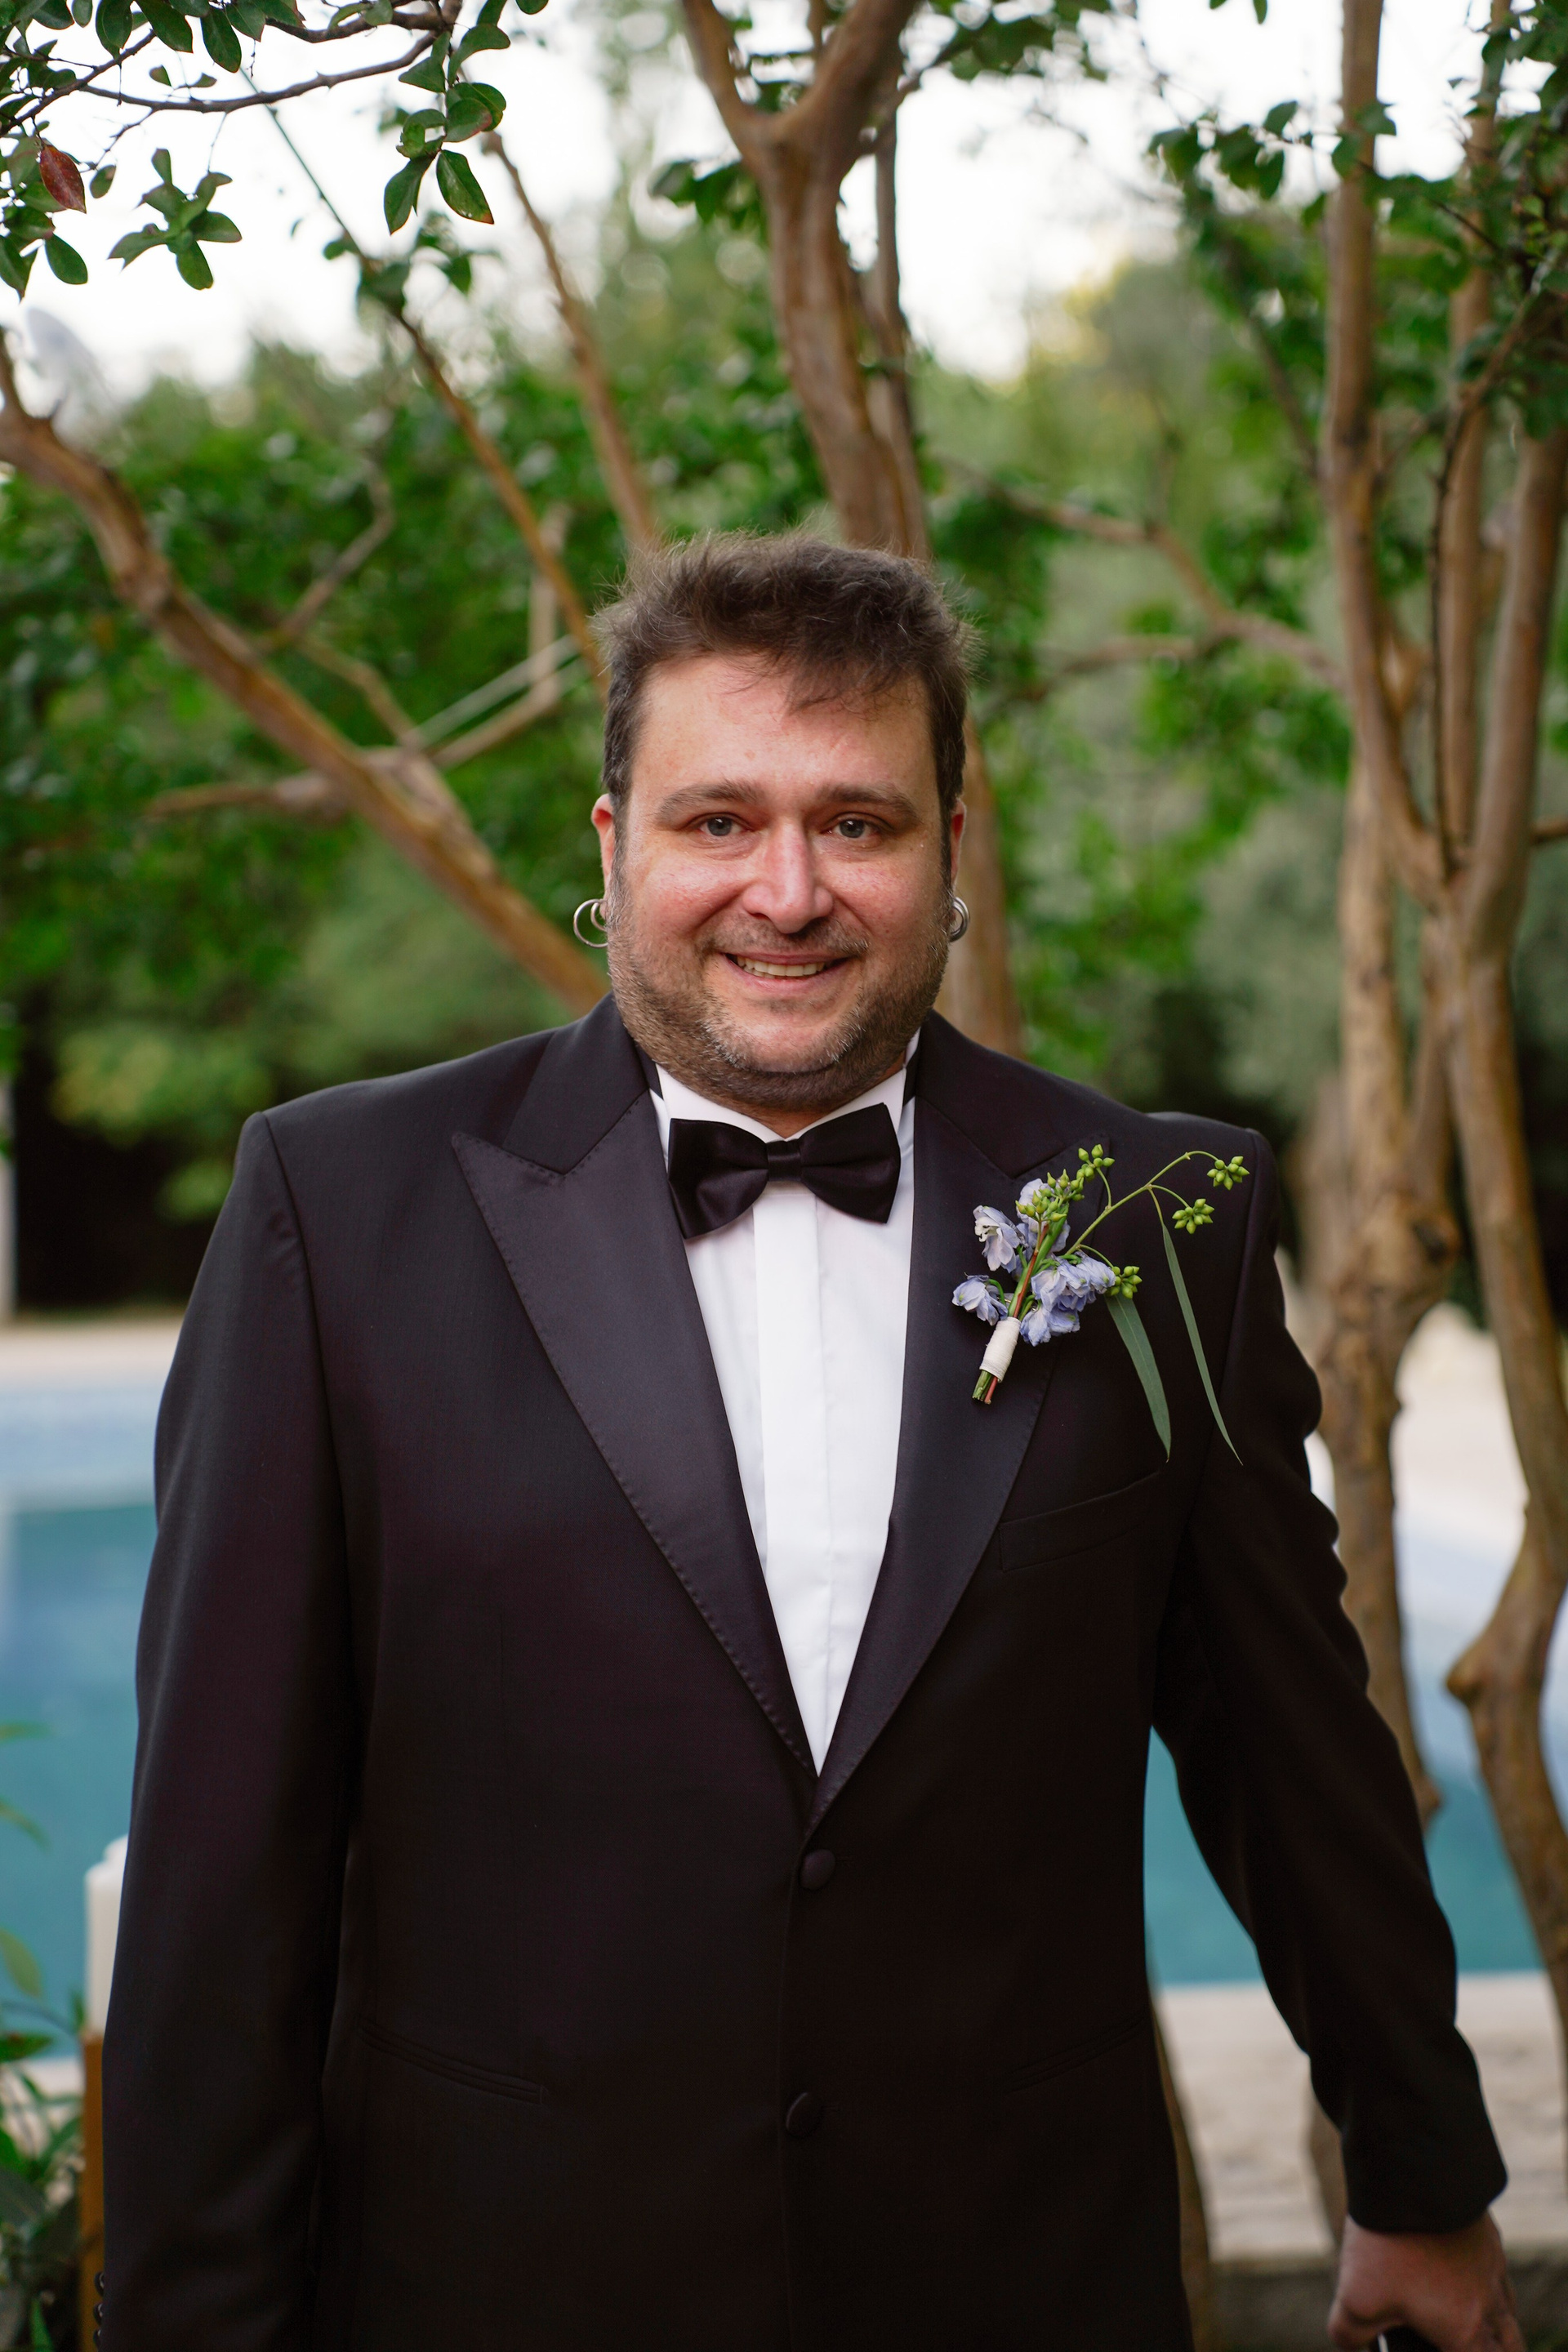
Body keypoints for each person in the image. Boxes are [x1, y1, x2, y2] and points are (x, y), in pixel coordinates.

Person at [101, 535, 1517, 2351]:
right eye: (719, 821)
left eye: (859, 823)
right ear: (612, 846)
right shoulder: (337, 1211)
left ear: (953, 854)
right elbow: (225, 1871)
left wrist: (1422, 2175)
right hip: (499, 2293)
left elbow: (1291, 1759)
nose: (789, 891)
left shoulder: (1160, 1223)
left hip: (1021, 2287)